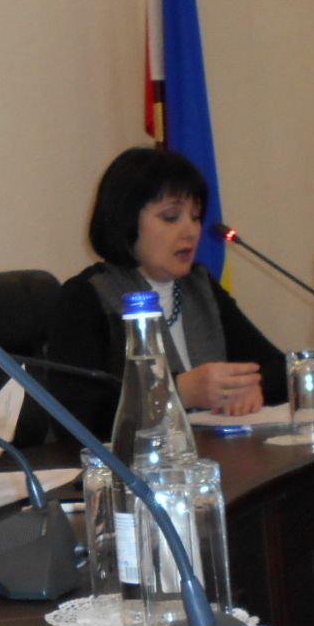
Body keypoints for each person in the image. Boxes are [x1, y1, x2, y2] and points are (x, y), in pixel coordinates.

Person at [46, 146, 286, 435]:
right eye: (171, 217)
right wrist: (178, 391)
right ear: (126, 220)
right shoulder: (87, 296)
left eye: (195, 216)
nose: (191, 231)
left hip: (213, 453)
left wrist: (253, 387)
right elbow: (78, 413)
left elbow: (277, 368)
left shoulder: (199, 287)